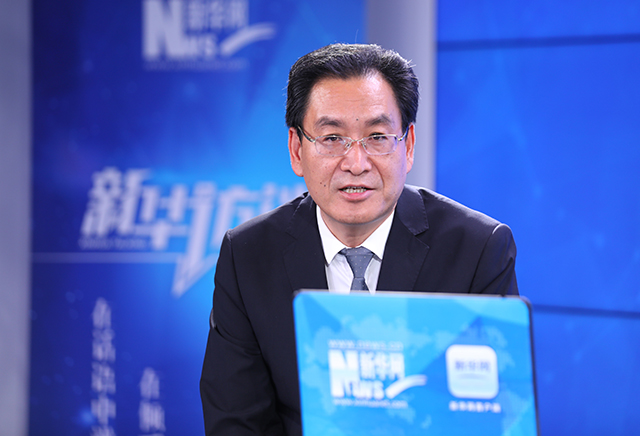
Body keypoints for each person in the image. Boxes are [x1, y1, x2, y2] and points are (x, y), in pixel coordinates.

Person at [200, 43, 518, 435]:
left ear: (408, 145)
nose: (355, 163)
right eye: (332, 138)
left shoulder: (477, 250)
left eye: (377, 136)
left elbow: (494, 418)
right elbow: (236, 422)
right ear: (297, 149)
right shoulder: (249, 255)